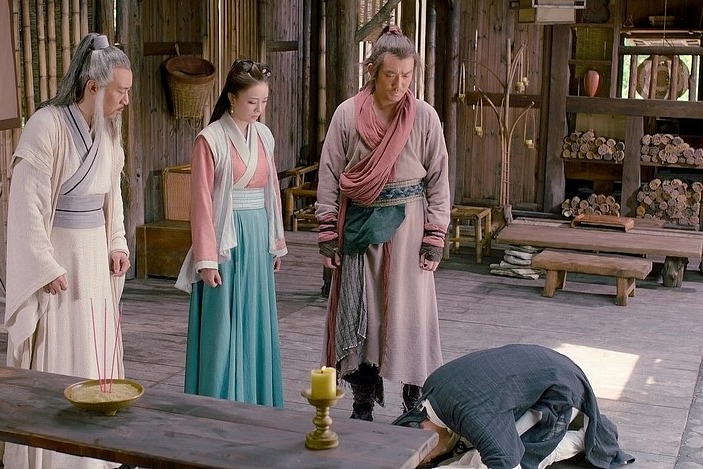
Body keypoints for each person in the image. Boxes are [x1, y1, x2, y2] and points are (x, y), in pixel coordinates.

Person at [0, 33, 132, 469]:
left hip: (94, 254)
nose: (125, 101)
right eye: (120, 91)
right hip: (60, 256)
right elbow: (27, 203)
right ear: (93, 86)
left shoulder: (109, 131)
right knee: (60, 347)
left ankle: (96, 450)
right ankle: (53, 453)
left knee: (95, 347)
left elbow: (112, 194)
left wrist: (117, 242)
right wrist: (44, 265)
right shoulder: (46, 125)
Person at [315, 24, 451, 421]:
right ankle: (362, 400)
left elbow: (438, 178)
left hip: (409, 228)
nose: (399, 84)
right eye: (391, 75)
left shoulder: (424, 116)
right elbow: (330, 174)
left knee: (409, 313)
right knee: (364, 312)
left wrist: (434, 236)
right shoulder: (347, 114)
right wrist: (328, 232)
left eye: (407, 75)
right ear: (373, 70)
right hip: (360, 227)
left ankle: (414, 400)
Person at [175, 58, 288, 407]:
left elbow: (272, 191)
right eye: (252, 101)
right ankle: (218, 403)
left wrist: (276, 242)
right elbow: (201, 203)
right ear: (232, 98)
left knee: (255, 319)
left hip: (257, 233)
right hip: (226, 238)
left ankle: (257, 401)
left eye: (264, 101)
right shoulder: (210, 139)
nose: (258, 109)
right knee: (223, 323)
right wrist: (206, 259)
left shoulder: (264, 136)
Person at [393, 344, 636, 469]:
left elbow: (508, 462)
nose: (429, 457)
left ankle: (583, 438)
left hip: (561, 392)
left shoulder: (472, 415)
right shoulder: (431, 389)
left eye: (427, 455)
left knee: (517, 457)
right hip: (544, 370)